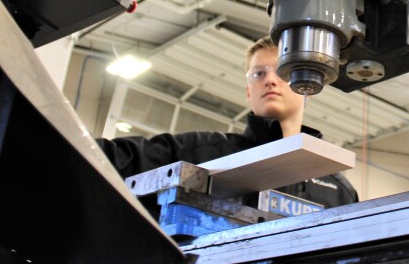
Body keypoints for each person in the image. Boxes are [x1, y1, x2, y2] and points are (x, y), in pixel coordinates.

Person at [98, 36, 359, 208]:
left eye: (281, 71)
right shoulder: (200, 152)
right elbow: (113, 159)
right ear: (248, 92)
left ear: (305, 87)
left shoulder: (339, 190)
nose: (269, 80)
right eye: (258, 74)